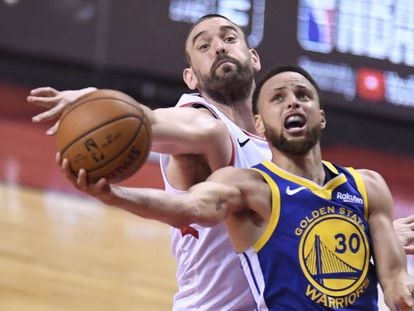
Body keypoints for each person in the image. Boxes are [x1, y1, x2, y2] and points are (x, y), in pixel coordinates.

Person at [28, 15, 414, 309]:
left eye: (230, 39)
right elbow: (151, 123)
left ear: (253, 57)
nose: (219, 48)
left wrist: (369, 237)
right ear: (190, 77)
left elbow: (296, 230)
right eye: (204, 45)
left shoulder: (281, 144)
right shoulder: (205, 125)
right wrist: (96, 101)